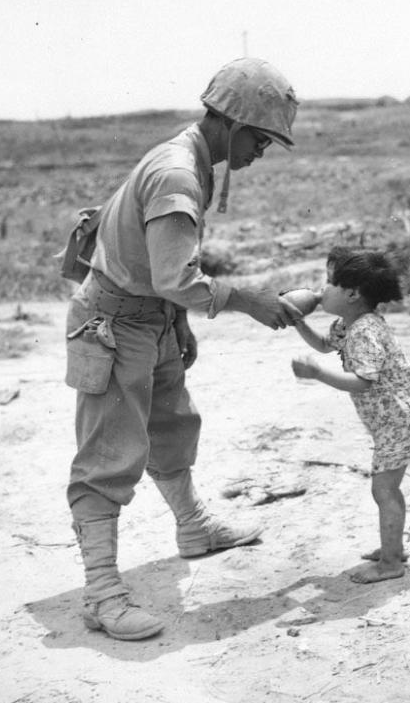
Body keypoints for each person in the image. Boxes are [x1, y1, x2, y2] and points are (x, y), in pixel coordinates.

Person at [66, 58, 302, 641]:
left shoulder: (189, 158)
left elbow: (163, 273)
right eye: (262, 140)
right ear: (232, 123)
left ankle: (193, 527)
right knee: (109, 456)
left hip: (151, 317)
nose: (261, 153)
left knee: (171, 426)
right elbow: (175, 275)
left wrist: (178, 322)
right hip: (114, 323)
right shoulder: (178, 173)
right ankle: (101, 594)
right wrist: (249, 301)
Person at [290, 246, 410, 583]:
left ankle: (391, 563)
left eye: (329, 283)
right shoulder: (349, 324)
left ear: (351, 293)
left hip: (400, 419)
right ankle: (392, 548)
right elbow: (323, 344)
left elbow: (363, 381)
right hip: (396, 418)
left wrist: (317, 374)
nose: (322, 289)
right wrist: (298, 322)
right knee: (387, 489)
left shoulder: (365, 331)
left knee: (384, 491)